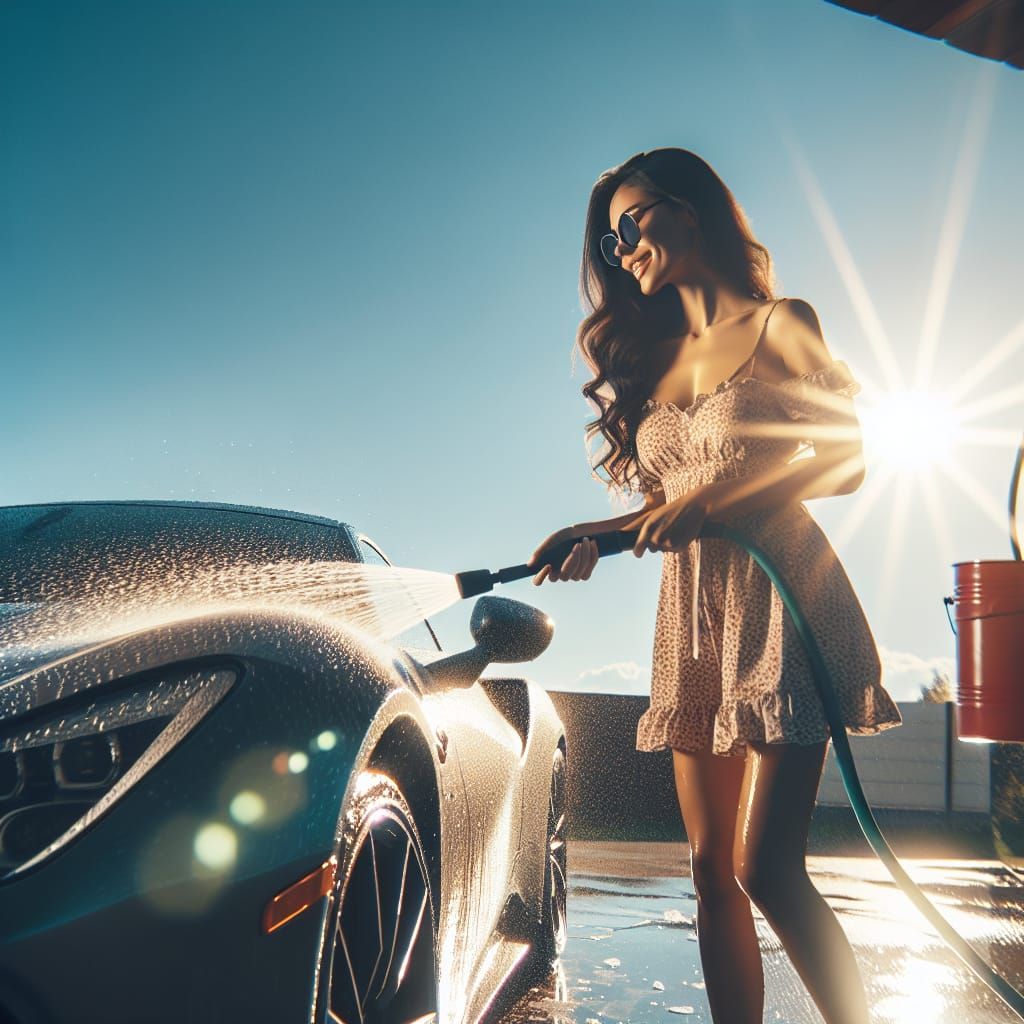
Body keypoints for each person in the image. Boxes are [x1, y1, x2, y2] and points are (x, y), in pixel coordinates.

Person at [528, 148, 902, 1024]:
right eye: (610, 242)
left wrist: (720, 496)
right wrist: (594, 534)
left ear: (690, 211)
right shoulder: (662, 364)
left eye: (632, 224)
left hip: (782, 602)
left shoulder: (781, 323)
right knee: (707, 872)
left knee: (766, 867)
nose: (622, 251)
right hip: (692, 619)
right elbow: (669, 508)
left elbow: (847, 460)